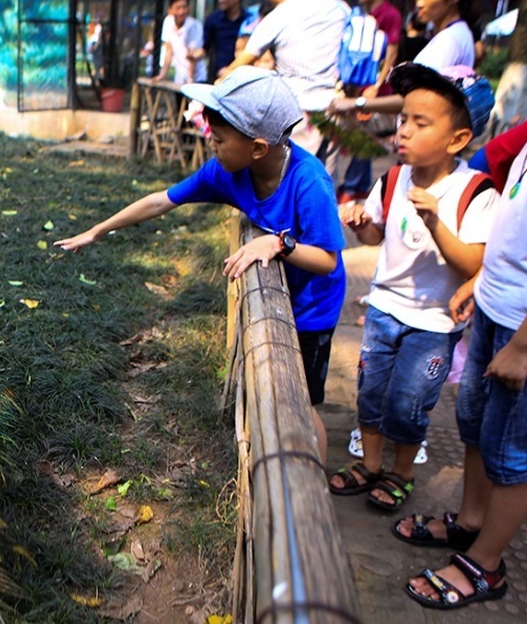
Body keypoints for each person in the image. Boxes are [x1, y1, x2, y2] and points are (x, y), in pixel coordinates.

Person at [55, 68, 346, 464]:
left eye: (220, 138)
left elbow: (328, 260)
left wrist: (278, 243)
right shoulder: (226, 172)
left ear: (258, 148)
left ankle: (315, 479)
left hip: (312, 311)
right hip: (281, 297)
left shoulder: (309, 182)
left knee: (302, 402)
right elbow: (162, 200)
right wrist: (98, 230)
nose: (211, 143)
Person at [396, 0, 527, 610]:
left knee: (513, 449)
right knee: (474, 424)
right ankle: (471, 520)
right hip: (496, 306)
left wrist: (526, 343)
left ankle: (486, 564)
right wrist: (480, 278)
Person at [330, 62, 497, 512]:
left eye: (420, 123)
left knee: (409, 401)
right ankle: (369, 463)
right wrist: (361, 223)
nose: (403, 131)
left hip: (433, 322)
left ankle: (401, 472)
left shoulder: (475, 191)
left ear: (458, 139)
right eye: (404, 118)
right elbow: (377, 236)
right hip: (384, 309)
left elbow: (472, 264)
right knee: (370, 392)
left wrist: (434, 220)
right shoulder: (392, 178)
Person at [220, 0, 349, 170]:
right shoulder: (338, 6)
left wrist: (220, 82)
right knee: (324, 179)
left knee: (289, 176)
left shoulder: (281, 14)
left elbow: (247, 57)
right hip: (335, 105)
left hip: (298, 109)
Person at [330, 0, 476, 116]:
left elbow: (415, 97)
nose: (419, 3)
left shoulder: (450, 40)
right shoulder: (456, 34)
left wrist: (357, 102)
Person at [337, 0, 404, 204]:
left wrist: (376, 85)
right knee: (360, 135)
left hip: (373, 92)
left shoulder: (390, 15)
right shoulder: (363, 16)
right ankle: (359, 186)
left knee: (362, 135)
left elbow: (391, 53)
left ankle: (353, 186)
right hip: (357, 89)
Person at [152, 0, 207, 85]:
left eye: (184, 7)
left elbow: (192, 56)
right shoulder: (168, 22)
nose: (181, 11)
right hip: (180, 79)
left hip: (196, 79)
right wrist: (163, 74)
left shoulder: (194, 26)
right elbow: (169, 51)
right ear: (170, 10)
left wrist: (190, 80)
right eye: (178, 8)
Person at [203, 0, 253, 79]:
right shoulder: (212, 20)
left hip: (245, 75)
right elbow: (204, 49)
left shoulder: (250, 20)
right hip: (219, 75)